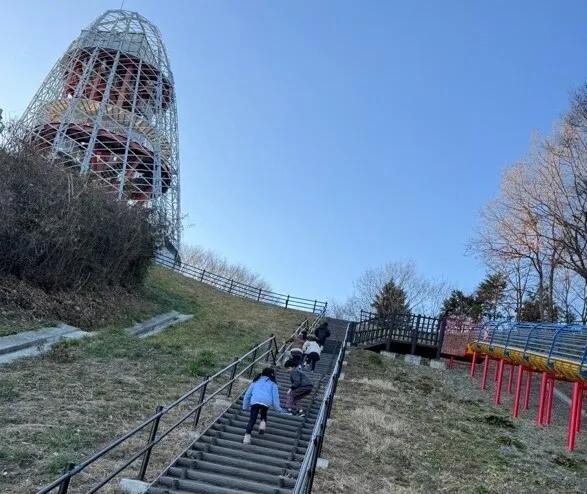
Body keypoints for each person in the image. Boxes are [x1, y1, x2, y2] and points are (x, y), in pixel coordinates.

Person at [242, 367, 286, 444]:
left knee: (252, 420)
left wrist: (245, 406)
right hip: (266, 401)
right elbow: (275, 398)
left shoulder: (255, 382)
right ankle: (262, 424)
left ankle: (247, 437)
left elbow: (247, 394)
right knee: (264, 412)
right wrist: (278, 409)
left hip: (255, 401)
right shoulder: (273, 384)